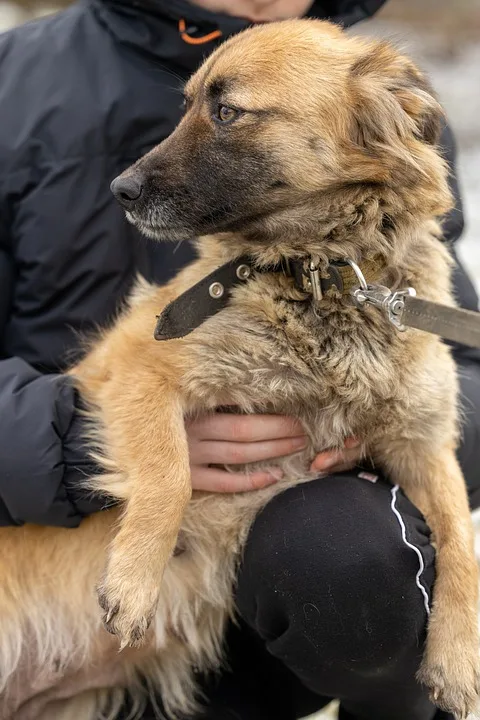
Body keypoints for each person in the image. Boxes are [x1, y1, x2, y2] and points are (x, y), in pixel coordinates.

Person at [0, 1, 479, 718]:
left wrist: (364, 449)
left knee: (360, 552)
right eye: (199, 108)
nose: (136, 174)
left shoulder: (367, 89)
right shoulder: (17, 78)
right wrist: (69, 440)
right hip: (48, 562)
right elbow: (145, 374)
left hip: (246, 634)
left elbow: (462, 371)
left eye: (228, 113)